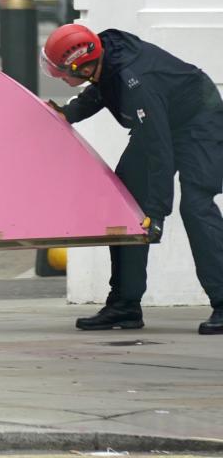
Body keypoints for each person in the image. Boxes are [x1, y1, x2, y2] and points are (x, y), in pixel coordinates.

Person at [42, 24, 223, 335]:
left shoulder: (137, 83)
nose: (61, 79)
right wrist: (67, 114)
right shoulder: (105, 57)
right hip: (162, 119)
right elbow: (101, 89)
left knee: (195, 205)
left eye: (62, 73)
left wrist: (156, 214)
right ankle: (124, 305)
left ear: (82, 65)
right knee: (124, 202)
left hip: (199, 121)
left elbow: (159, 150)